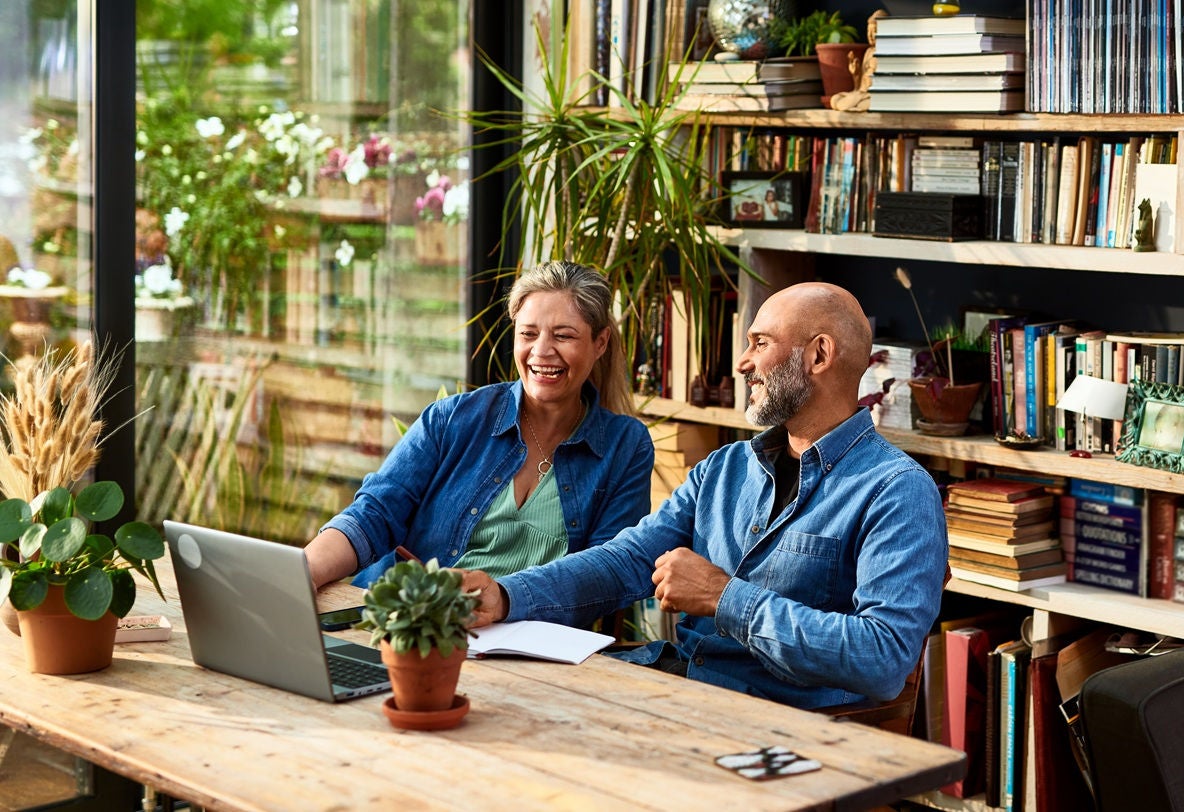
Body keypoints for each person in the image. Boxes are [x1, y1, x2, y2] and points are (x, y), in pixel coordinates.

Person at [462, 282, 948, 710]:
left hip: (778, 725)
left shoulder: (897, 490)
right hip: (677, 689)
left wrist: (723, 596)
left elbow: (883, 659)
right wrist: (506, 596)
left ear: (819, 355)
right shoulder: (725, 466)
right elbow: (627, 560)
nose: (743, 363)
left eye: (760, 343)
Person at [304, 260, 655, 589]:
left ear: (600, 342)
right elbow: (374, 515)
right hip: (417, 629)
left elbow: (605, 573)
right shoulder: (451, 419)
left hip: (528, 646)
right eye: (528, 334)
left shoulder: (625, 447)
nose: (541, 351)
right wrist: (303, 573)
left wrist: (504, 599)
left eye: (563, 336)